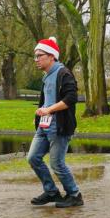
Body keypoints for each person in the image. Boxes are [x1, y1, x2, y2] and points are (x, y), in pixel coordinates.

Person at [28, 37, 83, 208]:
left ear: (51, 56)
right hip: (44, 126)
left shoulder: (63, 73)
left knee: (57, 164)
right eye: (35, 56)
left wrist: (49, 110)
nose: (36, 59)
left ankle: (75, 195)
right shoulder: (46, 76)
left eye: (39, 55)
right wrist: (39, 114)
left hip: (59, 126)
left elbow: (71, 98)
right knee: (33, 158)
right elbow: (46, 100)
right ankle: (51, 192)